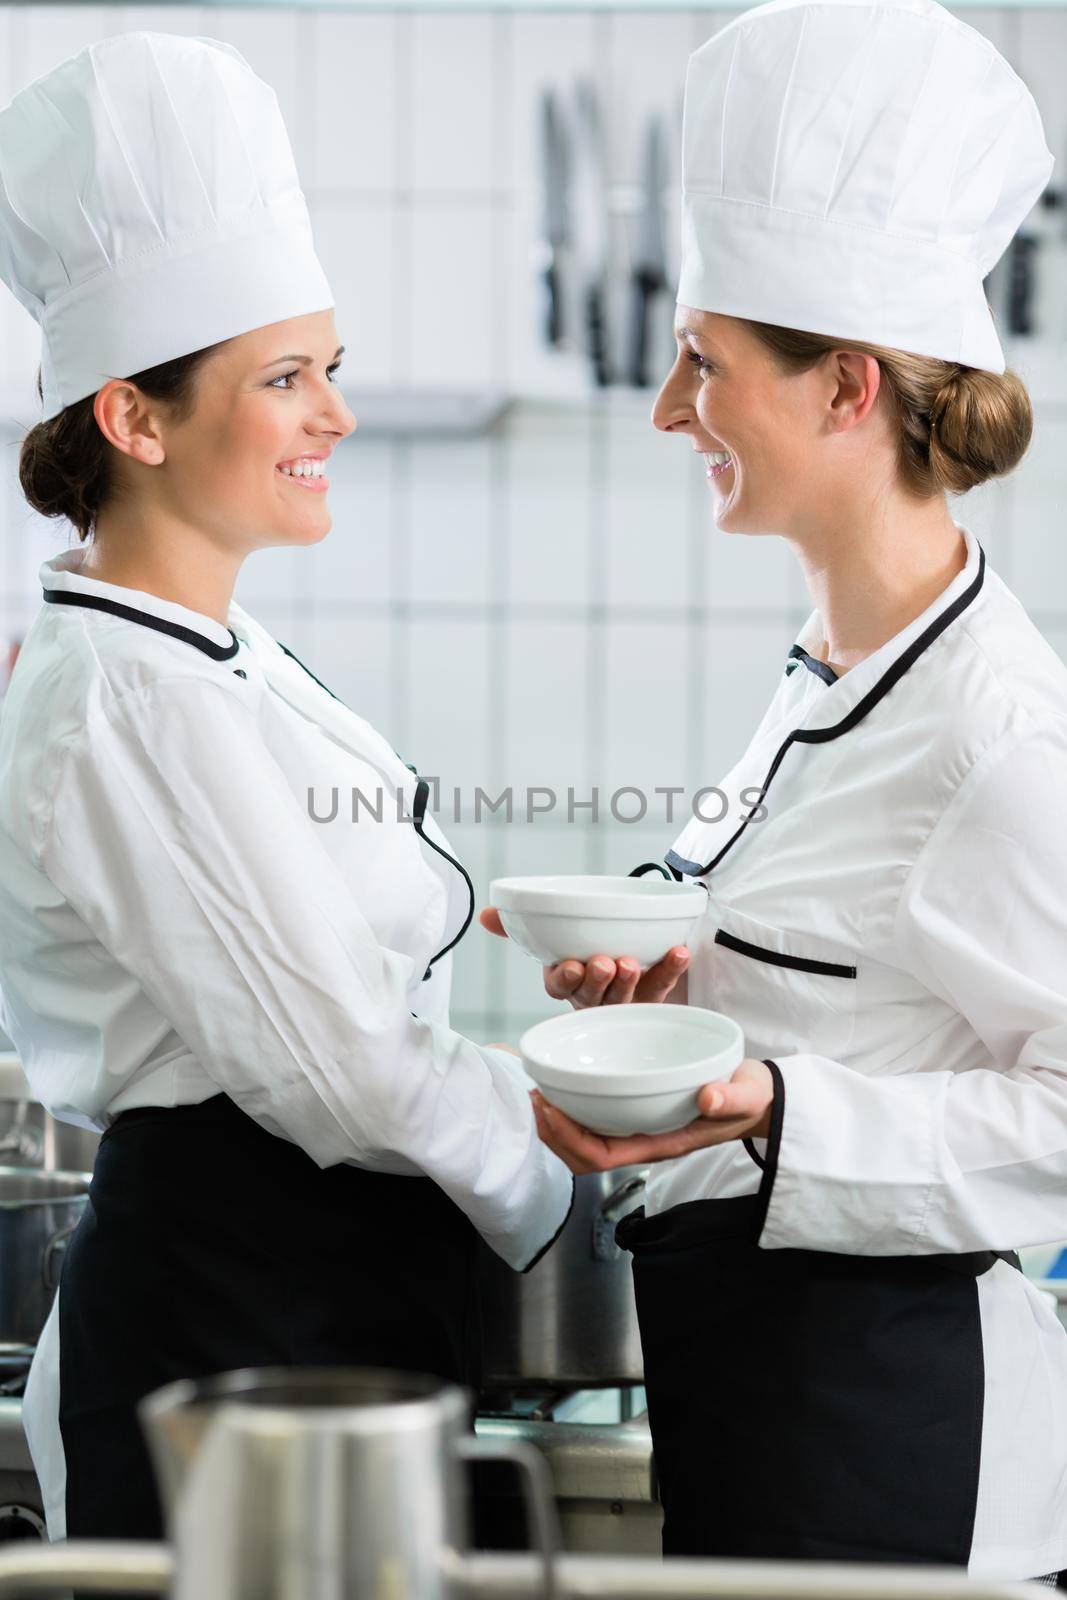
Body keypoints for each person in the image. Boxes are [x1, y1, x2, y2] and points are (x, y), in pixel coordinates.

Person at [487, 0, 1067, 1584]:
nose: (673, 410)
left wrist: (778, 1106)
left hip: (897, 1441)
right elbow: (855, 972)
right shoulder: (829, 665)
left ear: (847, 389)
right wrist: (687, 988)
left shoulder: (997, 734)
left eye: (703, 364)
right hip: (762, 1402)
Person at [0, 32, 577, 1542]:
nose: (335, 414)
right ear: (135, 418)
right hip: (234, 1330)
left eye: (332, 369)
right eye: (286, 377)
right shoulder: (129, 695)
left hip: (316, 1302)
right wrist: (557, 1172)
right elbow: (339, 1069)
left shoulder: (204, 651)